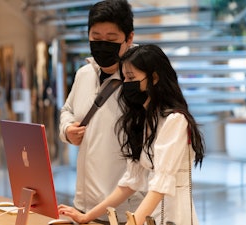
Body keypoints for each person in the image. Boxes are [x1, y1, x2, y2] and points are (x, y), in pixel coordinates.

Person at [58, 44, 205, 225]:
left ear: (154, 78)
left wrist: (132, 222)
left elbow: (160, 186)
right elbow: (130, 182)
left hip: (173, 218)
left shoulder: (175, 120)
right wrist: (86, 216)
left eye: (131, 78)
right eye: (124, 78)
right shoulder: (143, 120)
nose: (126, 85)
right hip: (150, 218)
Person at [58, 0, 144, 223]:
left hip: (124, 211)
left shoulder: (140, 82)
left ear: (129, 38)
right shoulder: (84, 74)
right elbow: (67, 110)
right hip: (83, 205)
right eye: (96, 38)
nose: (102, 45)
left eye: (111, 39)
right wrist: (67, 129)